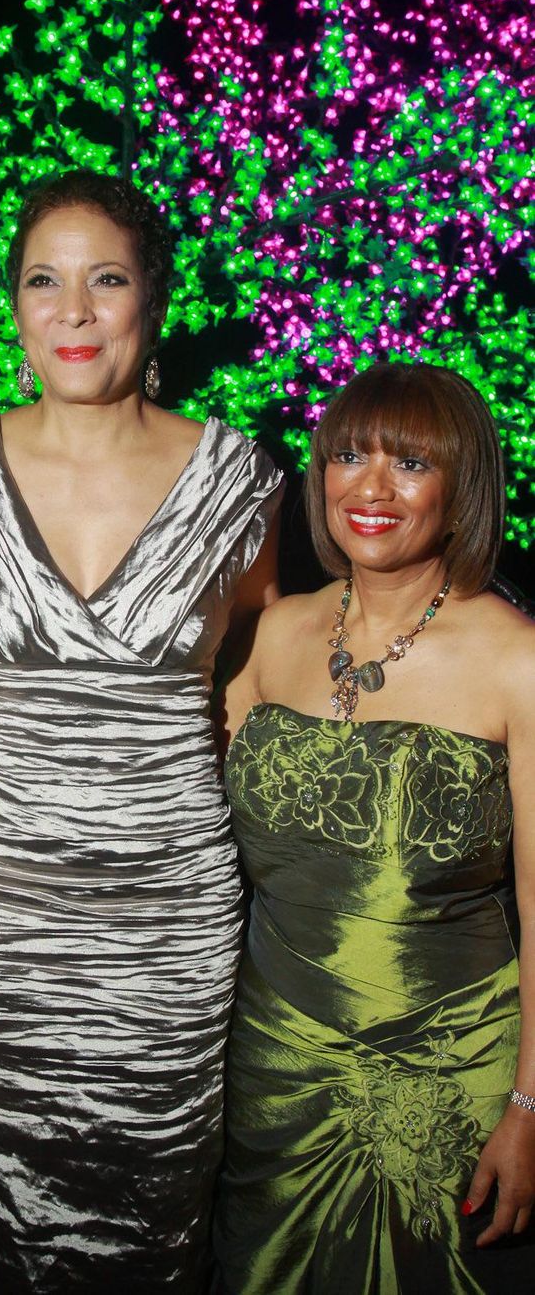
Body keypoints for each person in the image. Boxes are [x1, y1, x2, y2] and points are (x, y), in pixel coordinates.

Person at [0, 169, 283, 1292]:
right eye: (43, 281)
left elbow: (259, 660)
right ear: (14, 305)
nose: (72, 310)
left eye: (104, 279)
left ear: (151, 300)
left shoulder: (237, 474)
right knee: (0, 1195)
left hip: (164, 919)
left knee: (148, 1194)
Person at [214, 362, 535, 1293]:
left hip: (453, 1082)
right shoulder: (272, 634)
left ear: (461, 483)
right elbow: (167, 795)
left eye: (411, 463)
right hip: (269, 1074)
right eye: (349, 455)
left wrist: (529, 1103)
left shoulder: (517, 659)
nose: (373, 487)